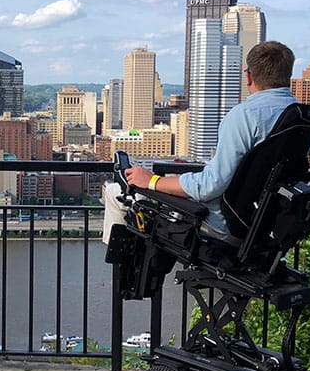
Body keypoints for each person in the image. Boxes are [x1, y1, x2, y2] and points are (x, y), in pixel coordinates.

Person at [102, 40, 298, 241]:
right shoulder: (299, 116)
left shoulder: (246, 115)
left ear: (248, 76)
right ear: (288, 75)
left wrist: (152, 180)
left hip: (222, 221)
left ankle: (117, 269)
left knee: (115, 191)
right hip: (267, 223)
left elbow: (211, 185)